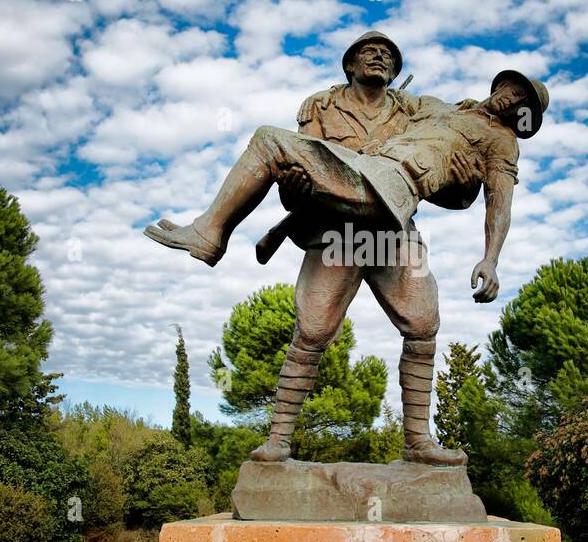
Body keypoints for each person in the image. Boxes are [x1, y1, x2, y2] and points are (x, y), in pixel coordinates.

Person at [145, 32, 548, 464]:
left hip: (389, 204)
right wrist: (298, 191)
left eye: (522, 99)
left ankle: (418, 443)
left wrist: (490, 256)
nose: (512, 98)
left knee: (422, 325)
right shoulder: (429, 106)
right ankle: (279, 442)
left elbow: (497, 200)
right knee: (312, 332)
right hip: (340, 224)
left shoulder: (502, 142)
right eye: (511, 88)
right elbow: (307, 174)